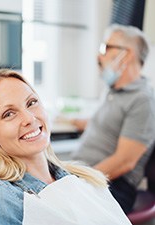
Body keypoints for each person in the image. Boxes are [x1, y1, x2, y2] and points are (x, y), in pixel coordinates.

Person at [0, 69, 132, 225]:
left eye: (31, 103)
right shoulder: (0, 196)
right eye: (9, 114)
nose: (29, 118)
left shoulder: (85, 179)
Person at [69, 24, 155, 214]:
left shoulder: (143, 100)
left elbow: (124, 162)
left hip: (113, 185)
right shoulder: (113, 91)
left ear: (127, 55)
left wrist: (77, 181)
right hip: (88, 175)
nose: (99, 56)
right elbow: (107, 126)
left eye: (106, 48)